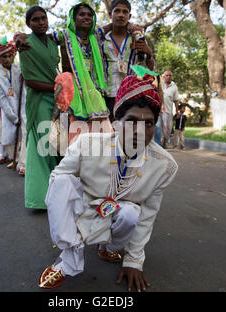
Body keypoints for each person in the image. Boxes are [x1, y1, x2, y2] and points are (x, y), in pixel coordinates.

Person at [38, 72, 178, 291]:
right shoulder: (86, 144)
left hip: (119, 211)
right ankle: (69, 256)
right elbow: (57, 181)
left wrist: (134, 261)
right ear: (115, 124)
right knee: (63, 182)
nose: (139, 132)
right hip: (84, 206)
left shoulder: (165, 166)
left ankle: (108, 246)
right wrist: (73, 214)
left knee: (132, 214)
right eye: (131, 121)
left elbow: (149, 214)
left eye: (148, 123)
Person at [18, 6, 62, 209]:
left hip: (58, 100)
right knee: (43, 148)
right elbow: (30, 81)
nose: (41, 22)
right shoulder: (25, 44)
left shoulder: (53, 41)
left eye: (44, 18)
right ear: (28, 24)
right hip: (40, 101)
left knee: (56, 147)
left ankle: (56, 192)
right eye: (35, 20)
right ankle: (40, 198)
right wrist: (58, 87)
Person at [51, 3, 112, 143]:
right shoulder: (64, 35)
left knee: (102, 132)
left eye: (90, 15)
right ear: (73, 18)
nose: (86, 17)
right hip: (74, 92)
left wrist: (132, 27)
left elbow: (112, 26)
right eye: (82, 14)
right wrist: (22, 36)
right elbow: (44, 38)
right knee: (76, 132)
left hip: (94, 90)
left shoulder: (95, 36)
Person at [101, 0, 155, 122]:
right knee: (109, 136)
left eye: (125, 12)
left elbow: (149, 70)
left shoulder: (138, 39)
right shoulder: (101, 39)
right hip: (106, 96)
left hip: (130, 95)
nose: (121, 15)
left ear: (129, 16)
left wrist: (149, 54)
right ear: (110, 14)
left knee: (128, 136)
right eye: (117, 11)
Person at [0, 38, 26, 170]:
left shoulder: (20, 70)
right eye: (4, 56)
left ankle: (23, 164)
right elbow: (2, 98)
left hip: (23, 106)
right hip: (8, 109)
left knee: (26, 134)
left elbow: (24, 92)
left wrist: (22, 113)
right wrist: (13, 117)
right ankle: (16, 160)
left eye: (10, 56)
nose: (7, 59)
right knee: (10, 139)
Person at [159, 70, 179, 148]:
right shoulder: (160, 84)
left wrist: (177, 112)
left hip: (168, 111)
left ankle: (165, 141)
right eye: (167, 75)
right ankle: (160, 144)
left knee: (168, 129)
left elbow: (176, 100)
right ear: (163, 76)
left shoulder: (174, 86)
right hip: (159, 111)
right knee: (159, 128)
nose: (168, 77)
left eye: (170, 75)